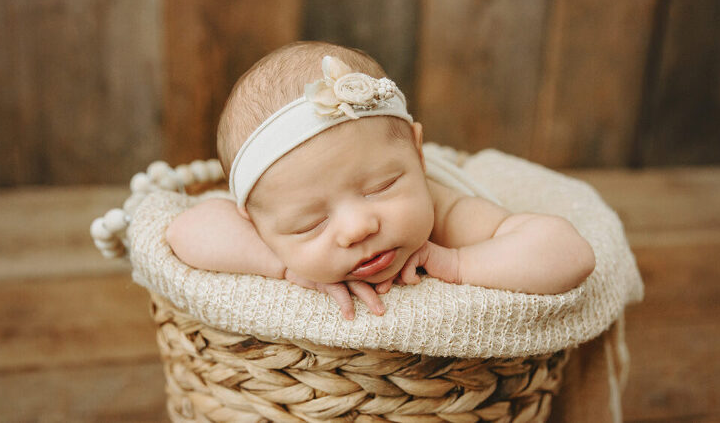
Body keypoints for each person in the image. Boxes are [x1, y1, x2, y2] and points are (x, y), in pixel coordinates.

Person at [166, 42, 595, 320]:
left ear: (417, 152)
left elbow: (569, 254)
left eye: (381, 187)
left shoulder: (445, 215)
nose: (358, 228)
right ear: (255, 221)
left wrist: (457, 263)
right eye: (308, 224)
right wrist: (285, 267)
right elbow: (184, 230)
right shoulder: (265, 221)